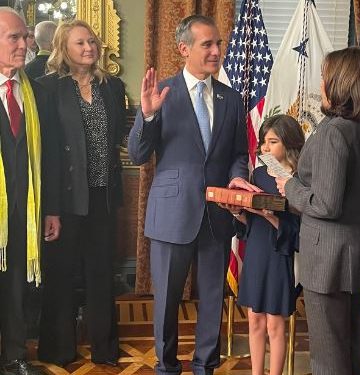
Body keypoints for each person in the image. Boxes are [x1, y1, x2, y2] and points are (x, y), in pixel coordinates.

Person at [128, 14, 257, 375]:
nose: (217, 50)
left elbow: (237, 153)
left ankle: (206, 367)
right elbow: (138, 155)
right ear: (184, 49)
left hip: (218, 214)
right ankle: (167, 367)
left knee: (213, 300)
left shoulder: (231, 99)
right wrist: (148, 116)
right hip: (172, 214)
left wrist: (236, 179)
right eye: (208, 44)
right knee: (167, 301)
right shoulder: (161, 94)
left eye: (218, 43)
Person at [276, 46, 360, 375]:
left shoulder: (334, 132)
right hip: (357, 255)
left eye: (325, 77)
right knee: (350, 346)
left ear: (341, 83)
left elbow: (325, 204)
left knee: (327, 356)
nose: (321, 84)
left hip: (329, 261)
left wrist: (290, 186)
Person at [36, 20, 126, 368]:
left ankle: (104, 349)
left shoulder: (112, 86)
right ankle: (57, 350)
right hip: (64, 200)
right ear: (63, 48)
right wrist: (51, 209)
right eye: (80, 43)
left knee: (102, 273)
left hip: (103, 196)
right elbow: (49, 153)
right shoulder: (47, 89)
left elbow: (119, 137)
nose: (89, 47)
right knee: (60, 274)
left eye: (92, 41)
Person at [0, 7, 60, 375]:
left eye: (26, 37)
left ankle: (15, 356)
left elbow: (50, 157)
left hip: (26, 212)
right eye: (15, 37)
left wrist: (51, 209)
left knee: (17, 289)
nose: (26, 44)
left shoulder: (37, 93)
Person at [225, 114, 304, 375]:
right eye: (263, 142)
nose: (265, 148)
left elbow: (299, 232)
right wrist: (237, 212)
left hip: (279, 255)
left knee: (274, 325)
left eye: (272, 142)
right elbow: (248, 224)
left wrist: (270, 216)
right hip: (257, 252)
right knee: (254, 320)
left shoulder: (298, 181)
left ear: (289, 143)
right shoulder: (258, 174)